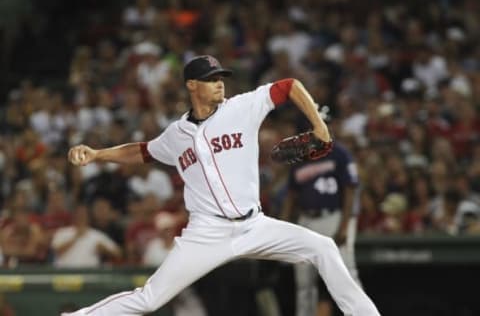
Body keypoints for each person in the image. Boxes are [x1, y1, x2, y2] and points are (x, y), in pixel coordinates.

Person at [64, 55, 380, 316]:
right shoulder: (176, 134)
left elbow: (289, 86)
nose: (219, 83)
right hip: (207, 233)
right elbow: (143, 151)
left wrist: (319, 124)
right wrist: (97, 154)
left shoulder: (242, 107)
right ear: (192, 85)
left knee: (323, 247)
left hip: (254, 224)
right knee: (149, 299)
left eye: (221, 77)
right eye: (211, 78)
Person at [283, 139, 363, 316]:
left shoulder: (340, 153)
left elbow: (351, 190)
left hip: (333, 217)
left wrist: (344, 226)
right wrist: (284, 226)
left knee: (346, 275)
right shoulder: (300, 156)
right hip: (306, 220)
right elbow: (291, 195)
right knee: (304, 283)